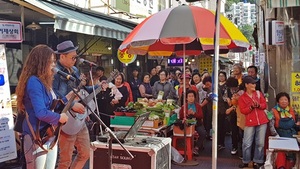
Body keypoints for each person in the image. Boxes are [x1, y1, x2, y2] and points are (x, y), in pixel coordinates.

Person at [15, 45, 69, 169]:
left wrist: (68, 98)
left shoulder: (44, 81)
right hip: (36, 134)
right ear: (41, 63)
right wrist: (59, 117)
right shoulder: (34, 82)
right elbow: (41, 112)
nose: (54, 66)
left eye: (54, 62)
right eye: (51, 62)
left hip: (47, 133)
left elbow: (51, 105)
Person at [52, 40, 92, 169]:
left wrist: (98, 87)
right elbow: (53, 93)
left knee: (85, 153)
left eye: (76, 57)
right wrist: (72, 104)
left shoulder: (74, 69)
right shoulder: (55, 72)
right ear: (62, 56)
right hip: (65, 119)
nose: (75, 60)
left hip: (78, 118)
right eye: (72, 57)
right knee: (65, 160)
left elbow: (80, 91)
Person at [238, 76, 268, 169]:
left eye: (254, 83)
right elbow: (243, 110)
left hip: (262, 121)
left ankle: (257, 161)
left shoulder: (259, 93)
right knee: (247, 143)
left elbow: (264, 105)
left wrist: (258, 105)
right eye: (252, 83)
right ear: (246, 85)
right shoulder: (242, 97)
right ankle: (246, 161)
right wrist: (251, 107)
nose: (254, 85)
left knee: (260, 143)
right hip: (250, 122)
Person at [270, 92, 299, 169]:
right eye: (281, 99)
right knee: (281, 151)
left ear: (288, 101)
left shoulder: (293, 111)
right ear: (278, 101)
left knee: (293, 153)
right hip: (279, 135)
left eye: (286, 99)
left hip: (292, 135)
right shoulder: (273, 111)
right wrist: (276, 136)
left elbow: (296, 125)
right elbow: (271, 125)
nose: (284, 101)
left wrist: (298, 125)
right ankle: (281, 166)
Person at [179, 90, 206, 156]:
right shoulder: (183, 107)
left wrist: (194, 113)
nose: (191, 98)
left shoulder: (198, 106)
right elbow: (181, 116)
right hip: (187, 124)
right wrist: (187, 115)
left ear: (194, 97)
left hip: (197, 123)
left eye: (192, 96)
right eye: (189, 96)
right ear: (186, 98)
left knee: (203, 133)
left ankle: (196, 147)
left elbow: (201, 116)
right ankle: (185, 147)